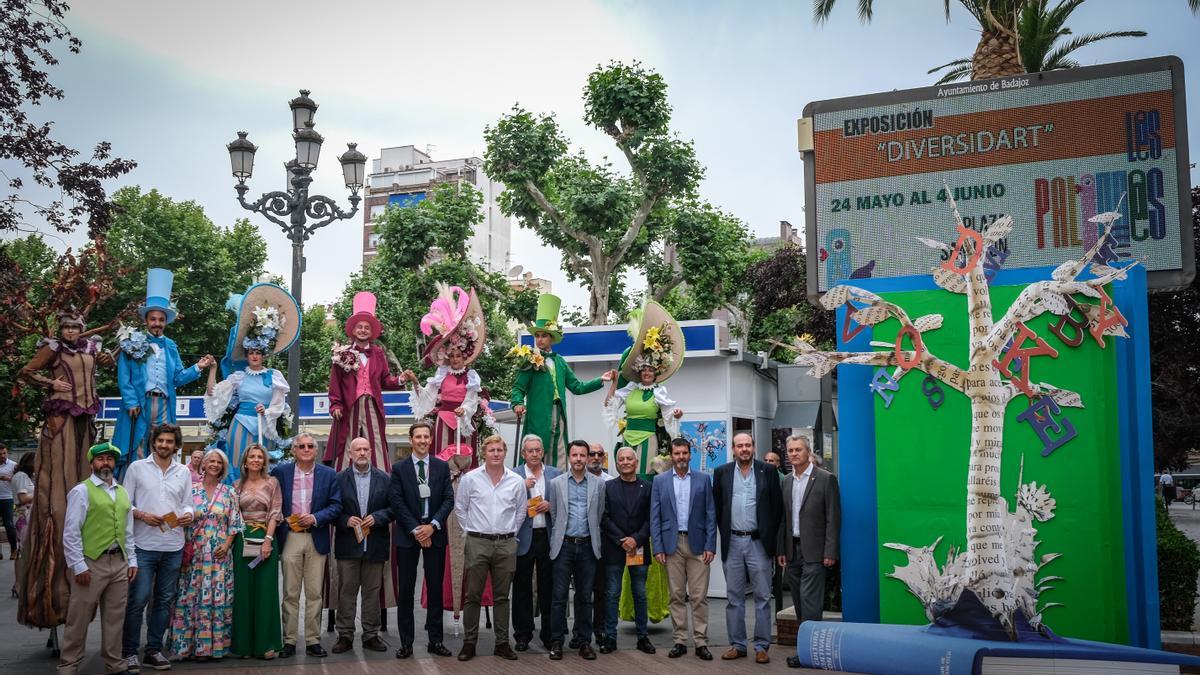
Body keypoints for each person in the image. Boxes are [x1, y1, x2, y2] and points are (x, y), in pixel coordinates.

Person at [18, 310, 114, 628]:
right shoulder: (53, 348)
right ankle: (53, 592)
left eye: (76, 327)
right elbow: (26, 371)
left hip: (85, 421)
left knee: (85, 481)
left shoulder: (91, 347)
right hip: (62, 422)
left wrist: (111, 355)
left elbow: (105, 364)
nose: (71, 331)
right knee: (59, 492)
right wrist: (51, 382)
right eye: (67, 327)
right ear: (62, 330)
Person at [113, 268, 214, 475]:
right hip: (141, 402)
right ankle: (135, 486)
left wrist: (198, 367)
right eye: (153, 319)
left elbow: (176, 378)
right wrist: (131, 401)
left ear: (165, 321)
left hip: (165, 404)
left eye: (161, 320)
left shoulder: (171, 346)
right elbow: (124, 376)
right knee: (138, 444)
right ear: (146, 320)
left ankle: (162, 481)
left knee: (164, 443)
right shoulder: (132, 342)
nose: (157, 323)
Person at [205, 282, 300, 481]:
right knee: (238, 464)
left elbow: (279, 404)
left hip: (264, 425)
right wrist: (213, 369)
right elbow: (214, 392)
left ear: (263, 355)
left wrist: (267, 412)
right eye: (251, 353)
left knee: (262, 466)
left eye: (258, 353)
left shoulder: (274, 376)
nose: (254, 356)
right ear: (247, 355)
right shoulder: (239, 377)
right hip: (240, 424)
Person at [57, 442, 137, 675]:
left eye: (110, 459)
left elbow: (128, 530)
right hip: (91, 562)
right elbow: (71, 531)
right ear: (91, 463)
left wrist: (132, 561)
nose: (106, 463)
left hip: (119, 562)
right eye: (101, 459)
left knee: (115, 618)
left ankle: (115, 664)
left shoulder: (122, 492)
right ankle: (68, 664)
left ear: (115, 463)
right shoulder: (81, 490)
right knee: (78, 617)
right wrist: (78, 565)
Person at [121, 423, 195, 672]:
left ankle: (153, 650)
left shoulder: (183, 471)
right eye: (160, 441)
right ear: (153, 442)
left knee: (164, 601)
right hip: (143, 546)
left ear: (176, 445)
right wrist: (140, 514)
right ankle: (129, 652)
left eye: (169, 442)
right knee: (138, 599)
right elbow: (123, 504)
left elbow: (187, 504)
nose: (164, 445)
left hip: (173, 544)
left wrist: (188, 515)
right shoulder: (137, 468)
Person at [511, 293, 614, 469]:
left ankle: (558, 484)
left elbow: (577, 387)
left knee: (559, 451)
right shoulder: (529, 360)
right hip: (538, 414)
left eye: (544, 336)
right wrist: (517, 403)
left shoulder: (560, 361)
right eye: (538, 336)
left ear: (551, 338)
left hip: (559, 413)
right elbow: (518, 388)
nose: (540, 339)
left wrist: (600, 380)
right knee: (536, 449)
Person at [453, 435, 526, 662]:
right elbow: (460, 508)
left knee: (502, 597)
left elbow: (521, 511)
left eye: (500, 450)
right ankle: (469, 643)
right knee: (472, 595)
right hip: (477, 542)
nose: (496, 454)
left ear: (505, 452)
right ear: (483, 453)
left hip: (506, 543)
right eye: (491, 450)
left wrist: (510, 532)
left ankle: (502, 643)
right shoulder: (471, 479)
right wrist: (472, 531)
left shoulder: (516, 480)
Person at [712, 432, 783, 664]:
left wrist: (774, 542)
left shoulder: (768, 472)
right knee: (734, 598)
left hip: (759, 543)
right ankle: (737, 644)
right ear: (733, 449)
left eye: (748, 445)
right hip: (732, 542)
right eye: (739, 445)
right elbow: (718, 509)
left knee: (763, 596)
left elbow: (777, 510)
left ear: (753, 447)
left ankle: (762, 646)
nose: (744, 449)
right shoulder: (721, 473)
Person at [272, 432, 342, 658]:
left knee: (315, 593)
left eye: (310, 446)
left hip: (316, 536)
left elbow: (336, 505)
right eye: (300, 446)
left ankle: (313, 640)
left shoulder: (329, 474)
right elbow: (271, 499)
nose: (305, 449)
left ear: (316, 450)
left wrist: (316, 517)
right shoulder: (280, 472)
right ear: (293, 450)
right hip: (290, 536)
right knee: (290, 593)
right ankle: (289, 640)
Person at [167, 449, 241, 661]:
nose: (215, 464)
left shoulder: (229, 492)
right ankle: (187, 647)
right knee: (190, 598)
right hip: (194, 554)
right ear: (203, 464)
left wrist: (227, 545)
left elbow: (235, 524)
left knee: (217, 599)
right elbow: (176, 515)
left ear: (223, 467)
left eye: (219, 462)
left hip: (219, 556)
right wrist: (160, 524)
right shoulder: (190, 490)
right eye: (211, 461)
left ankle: (212, 647)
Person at [390, 422, 455, 658]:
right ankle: (406, 642)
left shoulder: (440, 467)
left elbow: (449, 499)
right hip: (408, 536)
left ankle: (435, 641)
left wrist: (432, 526)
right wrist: (417, 530)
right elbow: (396, 502)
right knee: (406, 590)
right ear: (410, 440)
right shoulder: (398, 468)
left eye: (426, 436)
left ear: (431, 439)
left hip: (435, 534)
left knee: (435, 588)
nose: (422, 440)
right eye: (418, 436)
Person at [776, 434, 840, 669]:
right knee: (799, 603)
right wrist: (781, 548)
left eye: (798, 450)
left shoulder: (825, 479)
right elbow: (784, 517)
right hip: (792, 550)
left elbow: (833, 518)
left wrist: (830, 551)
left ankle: (809, 654)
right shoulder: (786, 481)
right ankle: (809, 650)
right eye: (790, 451)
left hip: (815, 550)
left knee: (810, 603)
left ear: (808, 451)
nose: (793, 454)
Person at [650, 437, 716, 661]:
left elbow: (710, 515)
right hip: (671, 545)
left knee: (699, 596)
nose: (680, 457)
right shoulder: (660, 481)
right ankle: (679, 641)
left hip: (698, 546)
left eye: (684, 453)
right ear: (671, 455)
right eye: (677, 453)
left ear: (690, 455)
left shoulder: (703, 479)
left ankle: (700, 642)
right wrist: (657, 546)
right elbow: (655, 517)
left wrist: (710, 545)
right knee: (676, 596)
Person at [603, 300, 685, 476]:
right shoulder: (630, 388)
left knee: (645, 475)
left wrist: (676, 415)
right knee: (626, 473)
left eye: (650, 370)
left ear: (656, 373)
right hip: (628, 436)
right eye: (644, 370)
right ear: (639, 372)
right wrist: (615, 383)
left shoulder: (658, 392)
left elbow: (669, 414)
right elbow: (609, 404)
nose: (647, 373)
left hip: (649, 438)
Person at [325, 291, 405, 470]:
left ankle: (383, 478)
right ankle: (342, 480)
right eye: (359, 327)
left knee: (376, 440)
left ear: (371, 332)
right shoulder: (342, 353)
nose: (363, 330)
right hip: (349, 404)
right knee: (347, 440)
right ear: (353, 330)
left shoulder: (378, 352)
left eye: (367, 327)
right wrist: (335, 405)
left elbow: (385, 380)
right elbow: (335, 384)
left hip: (372, 403)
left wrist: (400, 380)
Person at [409, 284, 487, 462]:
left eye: (458, 355)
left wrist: (464, 410)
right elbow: (427, 396)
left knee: (464, 458)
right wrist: (414, 381)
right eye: (451, 355)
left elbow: (471, 400)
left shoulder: (471, 377)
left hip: (463, 421)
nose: (455, 359)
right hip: (443, 422)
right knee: (442, 460)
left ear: (464, 356)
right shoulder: (441, 374)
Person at [332, 437, 393, 654]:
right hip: (348, 545)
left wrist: (378, 517)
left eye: (366, 449)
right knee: (346, 591)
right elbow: (332, 508)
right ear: (350, 453)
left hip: (375, 544)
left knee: (372, 592)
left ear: (370, 452)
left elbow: (394, 508)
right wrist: (344, 520)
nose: (362, 453)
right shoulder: (338, 479)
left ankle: (371, 635)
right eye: (358, 449)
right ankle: (345, 635)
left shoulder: (385, 479)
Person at [547, 441, 606, 661]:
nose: (579, 459)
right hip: (564, 546)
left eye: (583, 455)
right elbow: (554, 515)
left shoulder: (599, 484)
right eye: (575, 455)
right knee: (559, 597)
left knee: (585, 597)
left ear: (588, 457)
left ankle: (584, 642)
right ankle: (556, 641)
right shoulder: (556, 484)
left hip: (588, 546)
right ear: (569, 458)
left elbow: (598, 514)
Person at [600, 447, 655, 654]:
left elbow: (651, 518)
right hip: (615, 548)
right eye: (621, 459)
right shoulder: (608, 487)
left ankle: (643, 637)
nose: (625, 462)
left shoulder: (648, 487)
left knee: (640, 594)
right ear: (616, 463)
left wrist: (636, 539)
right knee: (612, 593)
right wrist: (622, 539)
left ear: (636, 460)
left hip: (639, 548)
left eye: (628, 458)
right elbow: (604, 517)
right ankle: (610, 638)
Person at [231, 444, 284, 660]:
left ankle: (266, 643)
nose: (255, 460)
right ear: (245, 461)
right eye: (252, 456)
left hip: (265, 539)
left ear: (264, 461)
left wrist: (268, 541)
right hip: (242, 540)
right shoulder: (236, 485)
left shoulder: (273, 483)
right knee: (243, 593)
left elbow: (275, 512)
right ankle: (243, 645)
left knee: (266, 592)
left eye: (259, 457)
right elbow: (234, 515)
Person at [512, 434, 559, 651]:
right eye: (530, 450)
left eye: (537, 450)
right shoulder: (513, 475)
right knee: (522, 587)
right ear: (523, 454)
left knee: (548, 587)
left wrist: (551, 506)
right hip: (523, 537)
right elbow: (506, 503)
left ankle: (549, 634)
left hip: (547, 536)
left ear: (542, 452)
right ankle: (523, 634)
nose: (534, 454)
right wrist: (521, 487)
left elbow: (563, 505)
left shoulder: (554, 474)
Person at [586, 441, 614, 644]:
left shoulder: (610, 482)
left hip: (605, 544)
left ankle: (600, 629)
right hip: (582, 543)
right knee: (583, 590)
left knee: (602, 590)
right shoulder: (575, 480)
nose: (595, 457)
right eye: (592, 454)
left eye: (599, 454)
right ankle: (582, 631)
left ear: (604, 458)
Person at [11, 452, 35, 597]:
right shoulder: (21, 476)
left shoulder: (24, 476)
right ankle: (19, 584)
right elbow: (23, 497)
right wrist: (40, 492)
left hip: (24, 516)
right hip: (23, 517)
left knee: (24, 551)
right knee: (23, 551)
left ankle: (20, 584)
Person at [0, 443, 16, 560]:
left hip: (8, 498)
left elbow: (19, 480)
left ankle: (14, 550)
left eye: (4, 453)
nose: (2, 456)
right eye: (0, 454)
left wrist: (8, 478)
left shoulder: (13, 465)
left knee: (9, 525)